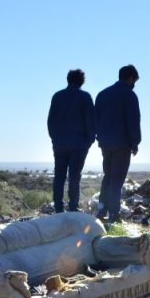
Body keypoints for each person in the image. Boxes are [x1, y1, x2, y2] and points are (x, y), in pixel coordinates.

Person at [94, 64, 141, 224]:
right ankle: (114, 213)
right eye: (134, 80)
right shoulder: (129, 95)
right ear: (130, 78)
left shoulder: (102, 94)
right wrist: (135, 142)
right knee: (117, 179)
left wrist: (99, 138)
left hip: (105, 143)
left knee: (107, 176)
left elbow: (96, 119)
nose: (134, 84)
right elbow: (133, 121)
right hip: (122, 144)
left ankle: (102, 208)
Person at [47, 69, 96, 213]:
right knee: (75, 176)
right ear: (82, 81)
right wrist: (89, 141)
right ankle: (73, 207)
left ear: (68, 79)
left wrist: (55, 139)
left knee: (59, 176)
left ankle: (58, 207)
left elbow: (50, 121)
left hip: (60, 143)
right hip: (79, 144)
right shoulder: (85, 97)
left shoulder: (57, 96)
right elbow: (90, 122)